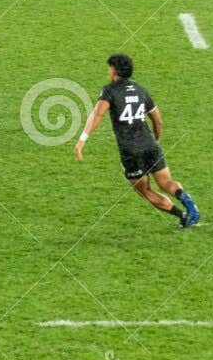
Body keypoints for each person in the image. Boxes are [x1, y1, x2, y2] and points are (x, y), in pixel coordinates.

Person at [74, 54, 201, 229]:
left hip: (130, 151)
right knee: (166, 182)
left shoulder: (109, 90)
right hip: (150, 145)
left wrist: (82, 140)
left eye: (109, 67)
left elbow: (97, 114)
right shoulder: (141, 90)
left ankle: (182, 215)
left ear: (114, 70)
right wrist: (155, 140)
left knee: (145, 191)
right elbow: (157, 119)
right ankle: (188, 203)